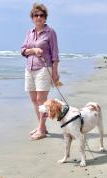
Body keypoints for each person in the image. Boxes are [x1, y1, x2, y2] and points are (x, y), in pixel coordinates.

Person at [21, 3, 60, 140]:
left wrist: (55, 73)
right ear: (32, 17)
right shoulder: (29, 33)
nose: (38, 17)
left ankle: (42, 130)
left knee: (41, 100)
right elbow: (23, 50)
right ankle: (41, 126)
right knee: (33, 100)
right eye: (36, 15)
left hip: (44, 68)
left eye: (41, 15)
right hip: (29, 68)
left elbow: (55, 55)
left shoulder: (51, 32)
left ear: (45, 18)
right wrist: (33, 50)